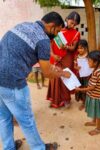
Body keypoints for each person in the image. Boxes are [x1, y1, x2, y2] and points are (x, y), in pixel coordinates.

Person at [0, 11, 70, 150]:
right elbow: (47, 73)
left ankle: (9, 147)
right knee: (27, 121)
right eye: (57, 31)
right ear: (51, 26)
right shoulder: (43, 39)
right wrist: (62, 73)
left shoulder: (23, 26)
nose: (57, 35)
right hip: (14, 83)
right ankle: (39, 148)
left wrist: (51, 61)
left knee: (3, 118)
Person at [47, 11, 80, 108]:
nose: (73, 25)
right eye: (71, 22)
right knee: (55, 77)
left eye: (75, 24)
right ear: (66, 19)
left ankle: (66, 99)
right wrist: (52, 54)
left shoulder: (76, 33)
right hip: (55, 57)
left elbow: (74, 48)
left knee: (65, 76)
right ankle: (54, 100)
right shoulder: (58, 29)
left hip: (67, 58)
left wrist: (65, 47)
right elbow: (50, 42)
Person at [76, 50, 100, 136]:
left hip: (97, 96)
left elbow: (92, 87)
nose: (87, 62)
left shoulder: (97, 72)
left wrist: (80, 90)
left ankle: (98, 128)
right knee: (95, 110)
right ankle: (93, 122)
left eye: (89, 61)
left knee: (98, 112)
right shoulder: (95, 69)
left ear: (95, 62)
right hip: (94, 95)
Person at [74, 39, 89, 110]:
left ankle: (86, 102)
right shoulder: (76, 56)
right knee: (80, 88)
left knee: (86, 88)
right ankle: (83, 102)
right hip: (79, 76)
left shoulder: (89, 56)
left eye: (81, 48)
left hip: (87, 76)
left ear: (86, 48)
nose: (79, 50)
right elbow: (74, 66)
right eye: (78, 48)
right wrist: (77, 67)